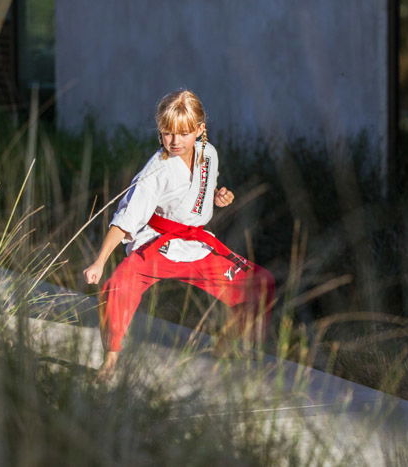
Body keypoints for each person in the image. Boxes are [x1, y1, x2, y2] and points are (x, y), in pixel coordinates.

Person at [83, 90, 275, 379]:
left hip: (196, 245)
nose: (174, 141)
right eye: (167, 133)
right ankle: (110, 361)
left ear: (199, 130)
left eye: (183, 133)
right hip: (157, 246)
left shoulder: (208, 154)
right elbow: (126, 219)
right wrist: (99, 261)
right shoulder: (156, 171)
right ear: (159, 132)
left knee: (261, 284)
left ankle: (227, 346)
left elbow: (200, 192)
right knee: (115, 287)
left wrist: (218, 196)